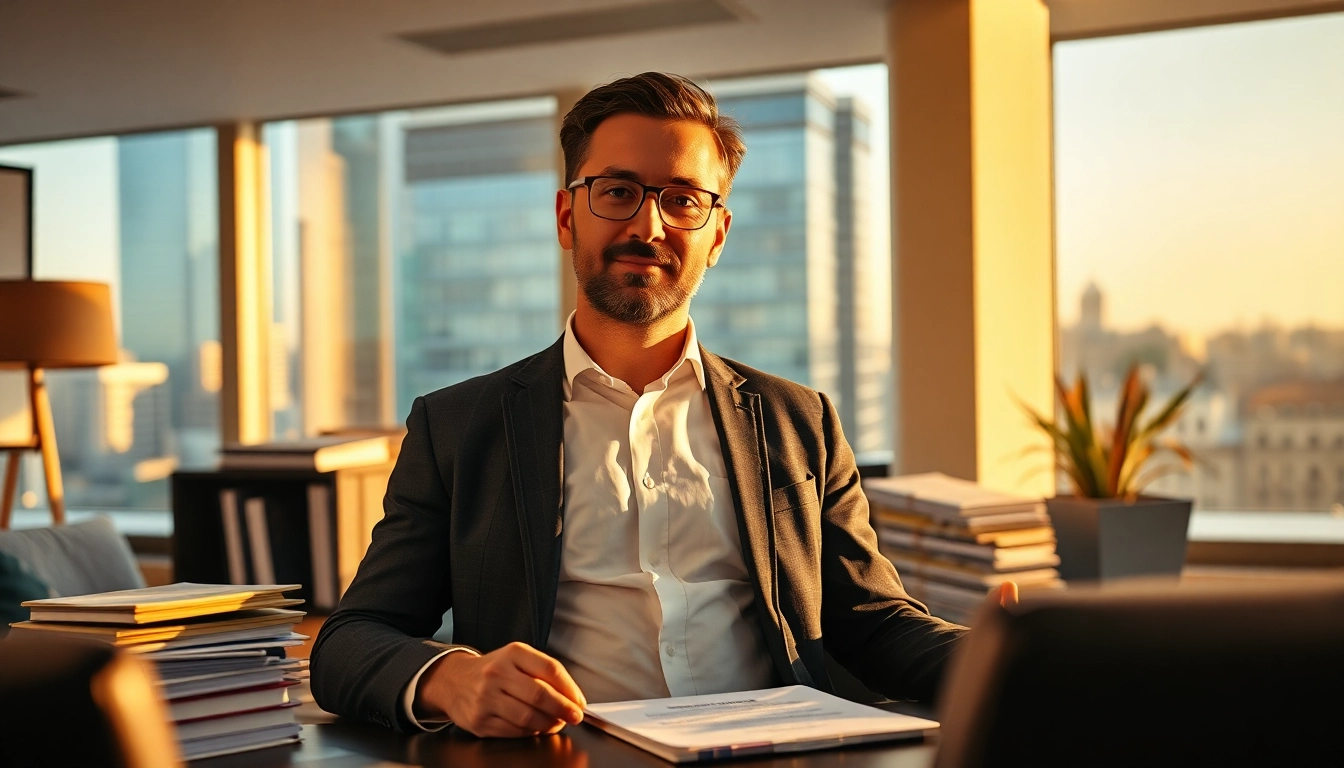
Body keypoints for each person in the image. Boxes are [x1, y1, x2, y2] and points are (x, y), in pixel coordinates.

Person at [310, 72, 976, 739]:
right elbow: (350, 641)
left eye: (683, 200)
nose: (647, 224)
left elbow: (873, 623)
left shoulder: (800, 422)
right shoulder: (458, 426)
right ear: (568, 216)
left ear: (717, 235)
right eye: (618, 192)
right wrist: (452, 679)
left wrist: (1001, 655)